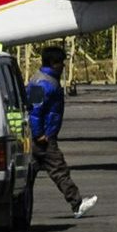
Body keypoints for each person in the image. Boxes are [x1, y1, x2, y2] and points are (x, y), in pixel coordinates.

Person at [24, 48, 98, 219]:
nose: (63, 65)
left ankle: (19, 209)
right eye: (60, 62)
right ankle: (77, 204)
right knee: (59, 169)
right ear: (52, 63)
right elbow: (35, 111)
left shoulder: (46, 80)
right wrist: (39, 134)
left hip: (42, 136)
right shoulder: (43, 83)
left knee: (29, 176)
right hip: (42, 139)